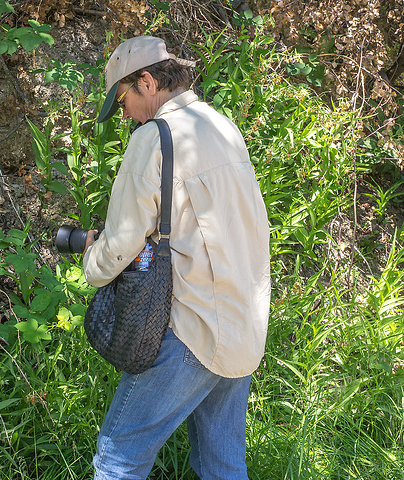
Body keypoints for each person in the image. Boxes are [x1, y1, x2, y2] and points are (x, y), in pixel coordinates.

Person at [81, 36, 271, 480]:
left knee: (117, 459)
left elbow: (123, 241)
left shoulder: (155, 138)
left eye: (124, 99)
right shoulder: (222, 125)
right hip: (241, 323)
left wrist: (91, 260)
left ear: (147, 81)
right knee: (222, 465)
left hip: (192, 330)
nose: (124, 113)